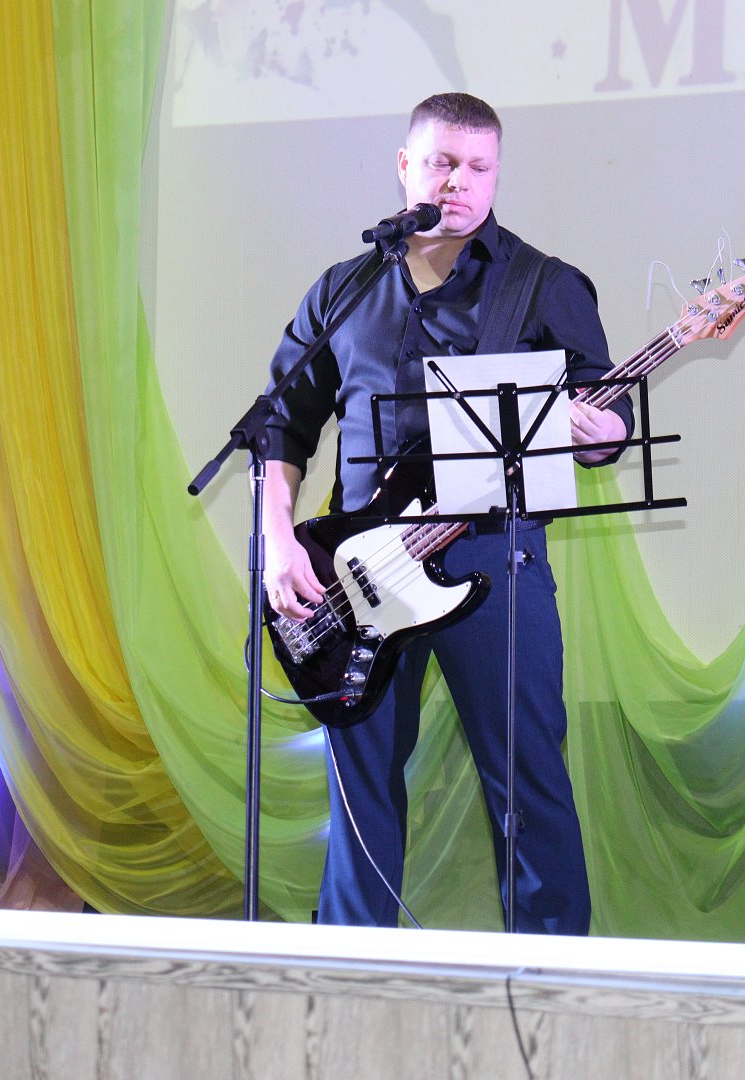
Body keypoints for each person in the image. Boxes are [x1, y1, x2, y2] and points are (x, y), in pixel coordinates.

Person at [262, 93, 632, 933]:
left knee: (527, 779)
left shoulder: (543, 284)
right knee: (359, 791)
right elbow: (282, 422)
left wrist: (602, 431)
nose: (458, 181)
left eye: (477, 167)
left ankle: (549, 972)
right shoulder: (346, 288)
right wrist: (278, 538)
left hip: (492, 559)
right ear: (405, 166)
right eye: (441, 162)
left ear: (497, 174)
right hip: (359, 568)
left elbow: (605, 419)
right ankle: (351, 967)